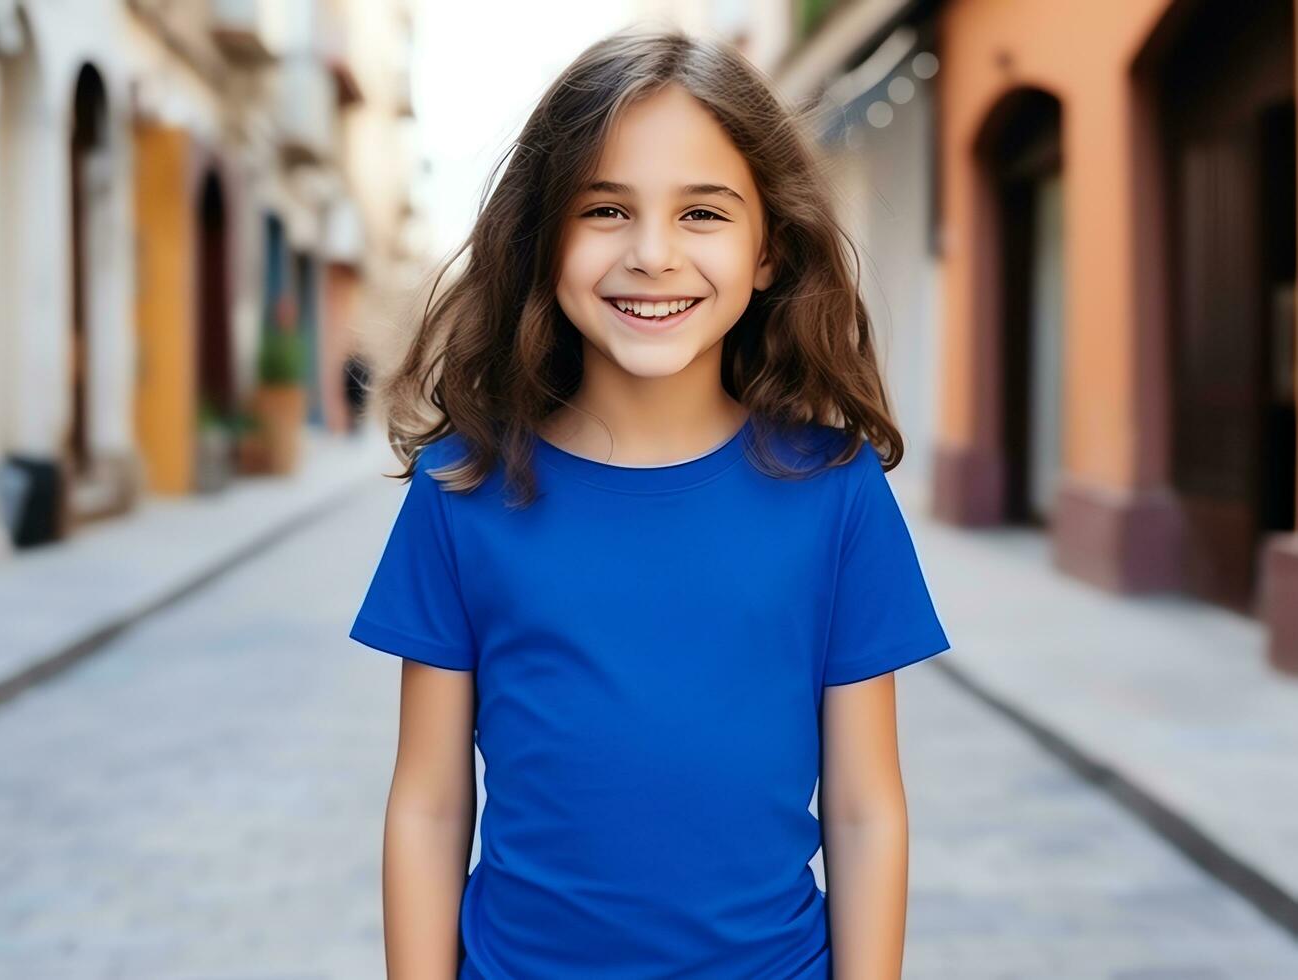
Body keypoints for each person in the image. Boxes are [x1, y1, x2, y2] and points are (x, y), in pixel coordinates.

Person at [348, 27, 952, 980]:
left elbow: (865, 808)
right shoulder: (460, 490)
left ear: (766, 251)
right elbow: (426, 806)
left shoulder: (836, 492)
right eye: (605, 210)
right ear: (543, 241)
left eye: (703, 213)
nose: (653, 254)